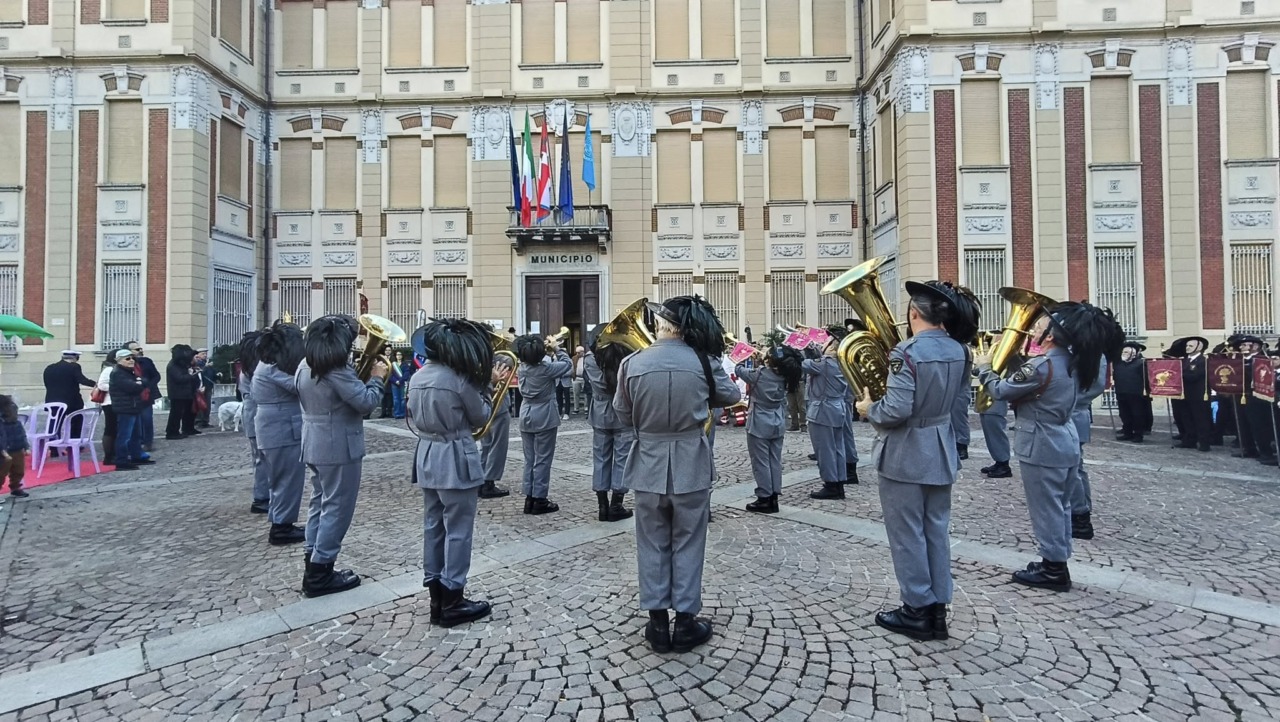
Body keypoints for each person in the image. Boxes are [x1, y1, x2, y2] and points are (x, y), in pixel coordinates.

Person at [614, 295, 741, 653]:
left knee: (651, 542)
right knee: (688, 541)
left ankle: (656, 624)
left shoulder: (633, 362)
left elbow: (622, 414)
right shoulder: (703, 362)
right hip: (690, 461)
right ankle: (685, 623)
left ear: (662, 325)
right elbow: (730, 396)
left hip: (648, 463)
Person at [974, 302, 1122, 593]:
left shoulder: (1042, 365)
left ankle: (1053, 568)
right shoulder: (1072, 361)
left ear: (1052, 336)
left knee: (1046, 508)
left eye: (1042, 324)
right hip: (1064, 438)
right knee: (1062, 505)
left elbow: (1002, 390)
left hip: (1041, 443)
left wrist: (985, 369)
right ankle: (1057, 559)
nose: (1036, 327)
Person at [855, 280, 971, 641]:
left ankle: (916, 609)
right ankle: (938, 608)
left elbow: (896, 409)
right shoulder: (961, 351)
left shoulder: (905, 352)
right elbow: (960, 402)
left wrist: (868, 407)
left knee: (907, 534)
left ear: (914, 314)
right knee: (936, 529)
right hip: (940, 446)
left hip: (906, 451)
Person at [408, 318, 503, 627]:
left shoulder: (418, 377)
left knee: (433, 527)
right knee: (459, 529)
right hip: (454, 456)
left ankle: (436, 596)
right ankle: (453, 597)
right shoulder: (458, 380)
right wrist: (488, 387)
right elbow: (481, 417)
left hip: (427, 455)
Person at [296, 315, 387, 597]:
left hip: (314, 440)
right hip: (338, 445)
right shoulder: (335, 369)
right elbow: (366, 403)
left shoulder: (305, 364)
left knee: (319, 504)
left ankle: (313, 558)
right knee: (337, 508)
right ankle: (322, 570)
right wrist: (376, 379)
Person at [253, 322, 308, 546]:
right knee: (287, 480)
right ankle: (282, 527)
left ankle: (281, 521)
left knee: (280, 480)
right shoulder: (272, 369)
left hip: (276, 426)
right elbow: (301, 385)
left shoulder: (267, 365)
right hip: (282, 428)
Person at [737, 345, 801, 514]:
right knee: (774, 460)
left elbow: (739, 370)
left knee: (761, 461)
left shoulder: (760, 374)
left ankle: (764, 497)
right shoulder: (786, 375)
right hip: (777, 420)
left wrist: (743, 356)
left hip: (759, 421)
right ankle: (774, 496)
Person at [515, 333, 571, 514]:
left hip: (526, 414)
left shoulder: (521, 368)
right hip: (544, 415)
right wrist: (556, 348)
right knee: (543, 460)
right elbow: (568, 365)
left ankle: (529, 497)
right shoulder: (546, 368)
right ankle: (540, 499)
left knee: (529, 460)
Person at [584, 328, 635, 522]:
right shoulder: (625, 359)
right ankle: (617, 504)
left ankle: (602, 506)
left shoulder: (590, 360)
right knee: (622, 459)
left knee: (601, 459)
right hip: (621, 411)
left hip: (599, 412)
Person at [1068, 356, 1110, 541]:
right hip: (1071, 411)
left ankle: (1080, 517)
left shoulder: (1092, 352)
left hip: (1073, 412)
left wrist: (1064, 399)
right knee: (1076, 467)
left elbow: (1096, 386)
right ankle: (1081, 512)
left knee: (1072, 469)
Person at [803, 337, 850, 499]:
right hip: (838, 408)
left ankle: (830, 484)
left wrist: (802, 348)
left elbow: (805, 364)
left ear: (831, 347)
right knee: (838, 448)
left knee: (825, 450)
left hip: (823, 410)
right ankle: (839, 483)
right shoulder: (843, 362)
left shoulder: (825, 363)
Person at [239, 331, 270, 515]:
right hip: (256, 418)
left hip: (253, 417)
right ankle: (261, 498)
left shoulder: (249, 369)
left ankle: (263, 495)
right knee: (262, 460)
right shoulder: (254, 371)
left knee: (261, 459)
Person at [110, 349, 155, 471]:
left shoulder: (129, 372)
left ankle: (136, 456)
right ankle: (121, 461)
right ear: (119, 360)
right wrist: (139, 383)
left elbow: (145, 381)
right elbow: (132, 387)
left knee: (136, 435)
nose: (131, 361)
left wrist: (140, 382)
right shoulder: (118, 373)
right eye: (127, 358)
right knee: (124, 436)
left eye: (132, 358)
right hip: (125, 408)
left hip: (134, 407)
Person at [478, 353, 514, 500]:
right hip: (498, 408)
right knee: (497, 447)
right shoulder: (494, 366)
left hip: (486, 407)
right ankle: (488, 483)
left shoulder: (480, 363)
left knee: (486, 446)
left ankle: (481, 480)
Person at [1168, 336, 1213, 452]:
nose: (1187, 348)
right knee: (1186, 418)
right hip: (1184, 394)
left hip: (1198, 395)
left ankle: (1204, 443)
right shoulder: (1183, 360)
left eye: (1190, 346)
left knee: (1201, 419)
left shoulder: (1204, 361)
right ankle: (1189, 441)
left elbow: (1195, 376)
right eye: (1187, 346)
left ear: (1199, 347)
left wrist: (1178, 375)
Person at [42, 350, 97, 440]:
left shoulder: (49, 367)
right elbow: (82, 380)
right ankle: (73, 443)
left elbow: (47, 383)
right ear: (75, 358)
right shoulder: (74, 366)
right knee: (76, 421)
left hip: (52, 401)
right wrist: (96, 384)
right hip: (72, 401)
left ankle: (53, 447)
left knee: (54, 424)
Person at [126, 342, 162, 452]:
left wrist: (148, 386)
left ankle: (148, 442)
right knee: (135, 421)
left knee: (147, 419)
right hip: (132, 396)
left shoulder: (146, 362)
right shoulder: (125, 363)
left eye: (140, 348)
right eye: (137, 349)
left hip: (146, 394)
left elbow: (156, 376)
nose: (140, 350)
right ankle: (136, 442)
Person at [1112, 341, 1149, 444]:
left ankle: (1138, 434)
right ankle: (1127, 432)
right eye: (1123, 352)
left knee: (1137, 415)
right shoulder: (1118, 364)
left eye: (1127, 352)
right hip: (1121, 392)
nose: (1124, 354)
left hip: (1136, 394)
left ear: (1133, 353)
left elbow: (1146, 378)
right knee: (1124, 414)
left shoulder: (1140, 363)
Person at [164, 344, 202, 439]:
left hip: (186, 392)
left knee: (188, 412)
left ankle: (188, 428)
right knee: (176, 413)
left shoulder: (182, 364)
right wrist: (192, 375)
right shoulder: (173, 365)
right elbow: (179, 379)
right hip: (177, 393)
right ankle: (172, 432)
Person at [0, 395, 31, 498]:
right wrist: (2, 451)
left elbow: (23, 435)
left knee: (18, 470)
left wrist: (26, 446)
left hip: (17, 448)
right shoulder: (1, 424)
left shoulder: (17, 424)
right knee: (1, 472)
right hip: (4, 451)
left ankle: (16, 487)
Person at [978, 399, 1013, 477]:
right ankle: (999, 461)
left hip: (995, 400)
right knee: (989, 429)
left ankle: (1004, 464)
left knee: (996, 429)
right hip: (986, 399)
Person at [96, 354, 120, 466]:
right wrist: (118, 387)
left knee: (115, 428)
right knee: (110, 428)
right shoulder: (109, 369)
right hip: (109, 402)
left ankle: (114, 453)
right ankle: (108, 456)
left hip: (116, 401)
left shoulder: (116, 369)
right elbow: (101, 385)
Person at [195, 349, 216, 428]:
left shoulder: (206, 363)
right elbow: (199, 373)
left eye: (206, 354)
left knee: (207, 405)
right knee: (201, 404)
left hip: (208, 386)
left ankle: (205, 421)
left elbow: (211, 374)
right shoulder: (198, 363)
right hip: (201, 387)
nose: (205, 355)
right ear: (198, 355)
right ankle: (199, 421)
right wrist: (206, 367)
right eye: (203, 354)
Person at [389, 350, 410, 419]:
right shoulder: (392, 365)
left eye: (400, 354)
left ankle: (402, 413)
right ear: (395, 356)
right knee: (395, 399)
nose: (399, 356)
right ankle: (397, 414)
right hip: (394, 384)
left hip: (402, 383)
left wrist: (400, 381)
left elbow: (406, 374)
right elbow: (390, 375)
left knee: (402, 399)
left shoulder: (405, 364)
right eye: (397, 355)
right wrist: (395, 381)